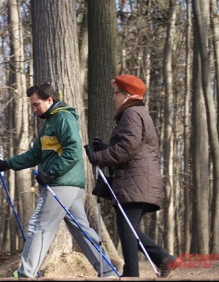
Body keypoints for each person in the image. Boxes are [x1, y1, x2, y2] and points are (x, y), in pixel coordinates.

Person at [0, 83, 118, 278]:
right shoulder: (49, 122)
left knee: (39, 226)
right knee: (82, 230)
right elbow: (35, 154)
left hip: (61, 183)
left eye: (36, 104)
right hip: (69, 185)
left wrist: (51, 173)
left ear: (49, 100)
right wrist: (7, 164)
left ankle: (26, 273)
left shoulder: (63, 118)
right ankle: (108, 271)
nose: (34, 109)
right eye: (32, 105)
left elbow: (73, 152)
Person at [84, 74, 178, 278]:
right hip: (137, 180)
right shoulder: (137, 113)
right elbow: (132, 146)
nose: (113, 98)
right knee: (128, 228)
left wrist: (98, 157)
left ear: (126, 95)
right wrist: (105, 148)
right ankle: (147, 265)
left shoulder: (132, 114)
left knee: (127, 229)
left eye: (116, 93)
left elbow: (128, 147)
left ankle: (142, 268)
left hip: (135, 181)